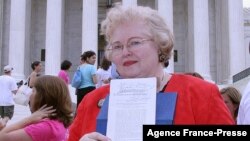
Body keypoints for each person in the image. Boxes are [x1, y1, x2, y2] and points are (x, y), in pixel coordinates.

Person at [68, 5, 234, 141]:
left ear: (160, 45)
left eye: (135, 43)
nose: (125, 52)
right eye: (117, 46)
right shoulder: (92, 101)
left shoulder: (201, 94)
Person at [0, 75, 73, 140]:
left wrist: (29, 119)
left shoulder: (44, 128)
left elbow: (2, 137)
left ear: (43, 97)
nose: (29, 95)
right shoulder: (56, 123)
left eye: (33, 91)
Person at [0, 65, 18, 130]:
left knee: (2, 117)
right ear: (10, 71)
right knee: (6, 117)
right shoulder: (11, 79)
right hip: (8, 102)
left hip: (0, 101)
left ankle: (2, 132)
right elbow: (15, 91)